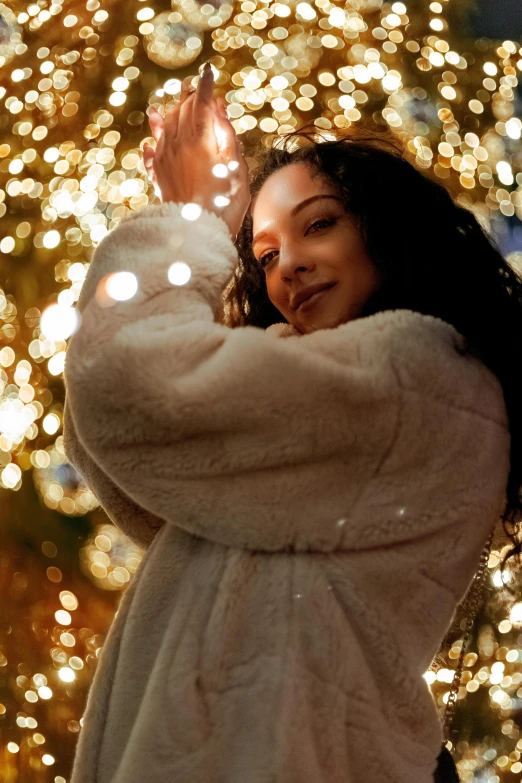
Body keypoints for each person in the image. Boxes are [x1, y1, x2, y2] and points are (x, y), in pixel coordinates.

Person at [63, 61, 522, 783]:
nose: (290, 267)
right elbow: (131, 460)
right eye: (266, 253)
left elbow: (129, 394)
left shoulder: (417, 379)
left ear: (386, 226)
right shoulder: (330, 395)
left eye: (320, 224)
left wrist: (190, 224)